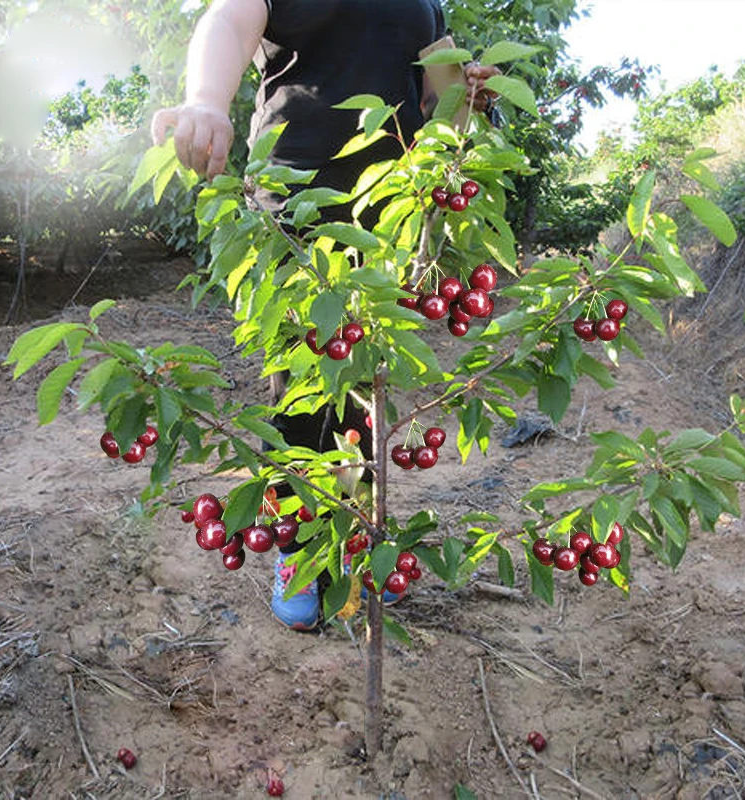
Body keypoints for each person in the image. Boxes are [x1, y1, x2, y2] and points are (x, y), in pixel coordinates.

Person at [152, 0, 500, 630]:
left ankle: (359, 541)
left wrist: (471, 99)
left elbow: (438, 89)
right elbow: (228, 22)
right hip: (294, 208)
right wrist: (205, 99)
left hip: (390, 214)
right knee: (301, 393)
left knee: (366, 390)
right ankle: (299, 549)